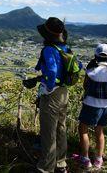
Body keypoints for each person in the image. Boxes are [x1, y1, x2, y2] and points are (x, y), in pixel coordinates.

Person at [35, 17, 72, 173]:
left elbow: (51, 70)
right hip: (64, 92)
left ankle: (46, 167)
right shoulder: (65, 48)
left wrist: (48, 87)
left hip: (52, 94)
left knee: (48, 131)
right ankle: (61, 163)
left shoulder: (49, 49)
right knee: (60, 128)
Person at [75, 44, 107, 169]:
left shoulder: (91, 70)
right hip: (106, 106)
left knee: (83, 129)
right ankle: (99, 159)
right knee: (100, 131)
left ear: (96, 55)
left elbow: (85, 85)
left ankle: (85, 158)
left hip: (90, 103)